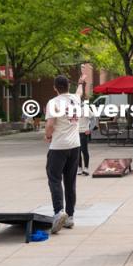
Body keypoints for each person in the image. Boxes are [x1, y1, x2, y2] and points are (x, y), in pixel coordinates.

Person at [44, 73, 85, 233]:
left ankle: (59, 211)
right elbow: (80, 92)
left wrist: (47, 135)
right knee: (70, 181)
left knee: (54, 179)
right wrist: (81, 82)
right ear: (69, 86)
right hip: (75, 146)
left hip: (58, 147)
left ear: (55, 88)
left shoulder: (53, 102)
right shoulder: (75, 99)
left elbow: (50, 124)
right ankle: (70, 217)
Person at [77, 99, 94, 176]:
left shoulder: (86, 108)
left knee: (84, 150)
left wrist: (90, 129)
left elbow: (93, 118)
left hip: (84, 132)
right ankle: (79, 168)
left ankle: (86, 168)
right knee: (77, 151)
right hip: (75, 133)